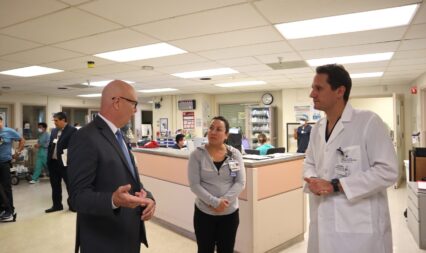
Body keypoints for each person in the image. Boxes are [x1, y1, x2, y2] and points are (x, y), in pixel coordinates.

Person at [303, 64, 398, 253]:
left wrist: (336, 185)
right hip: (322, 220)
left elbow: (388, 171)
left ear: (340, 91)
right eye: (313, 88)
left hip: (358, 230)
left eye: (318, 88)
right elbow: (309, 161)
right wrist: (313, 179)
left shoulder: (368, 122)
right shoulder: (317, 128)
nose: (312, 94)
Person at [68, 80, 155, 253]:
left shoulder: (119, 135)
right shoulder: (85, 137)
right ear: (116, 102)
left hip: (128, 235)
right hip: (104, 241)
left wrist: (149, 198)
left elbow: (129, 178)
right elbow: (77, 198)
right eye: (133, 104)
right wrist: (113, 200)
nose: (135, 110)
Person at [188, 116, 246, 253]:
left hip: (229, 213)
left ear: (226, 135)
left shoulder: (234, 154)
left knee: (226, 249)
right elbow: (194, 185)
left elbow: (240, 182)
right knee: (204, 249)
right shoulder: (197, 155)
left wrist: (224, 202)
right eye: (211, 128)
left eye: (219, 129)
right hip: (204, 213)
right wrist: (214, 202)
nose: (213, 132)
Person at [45, 112, 77, 213]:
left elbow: (76, 147)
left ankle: (73, 205)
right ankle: (57, 205)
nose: (54, 123)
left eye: (56, 120)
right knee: (55, 185)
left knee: (70, 185)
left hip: (65, 163)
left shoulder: (72, 131)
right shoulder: (54, 131)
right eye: (54, 120)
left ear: (63, 120)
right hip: (53, 163)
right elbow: (51, 145)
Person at [0, 116, 25, 222]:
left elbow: (22, 140)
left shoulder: (8, 131)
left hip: (4, 163)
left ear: (1, 121)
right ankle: (2, 208)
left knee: (6, 187)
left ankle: (9, 210)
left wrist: (17, 153)